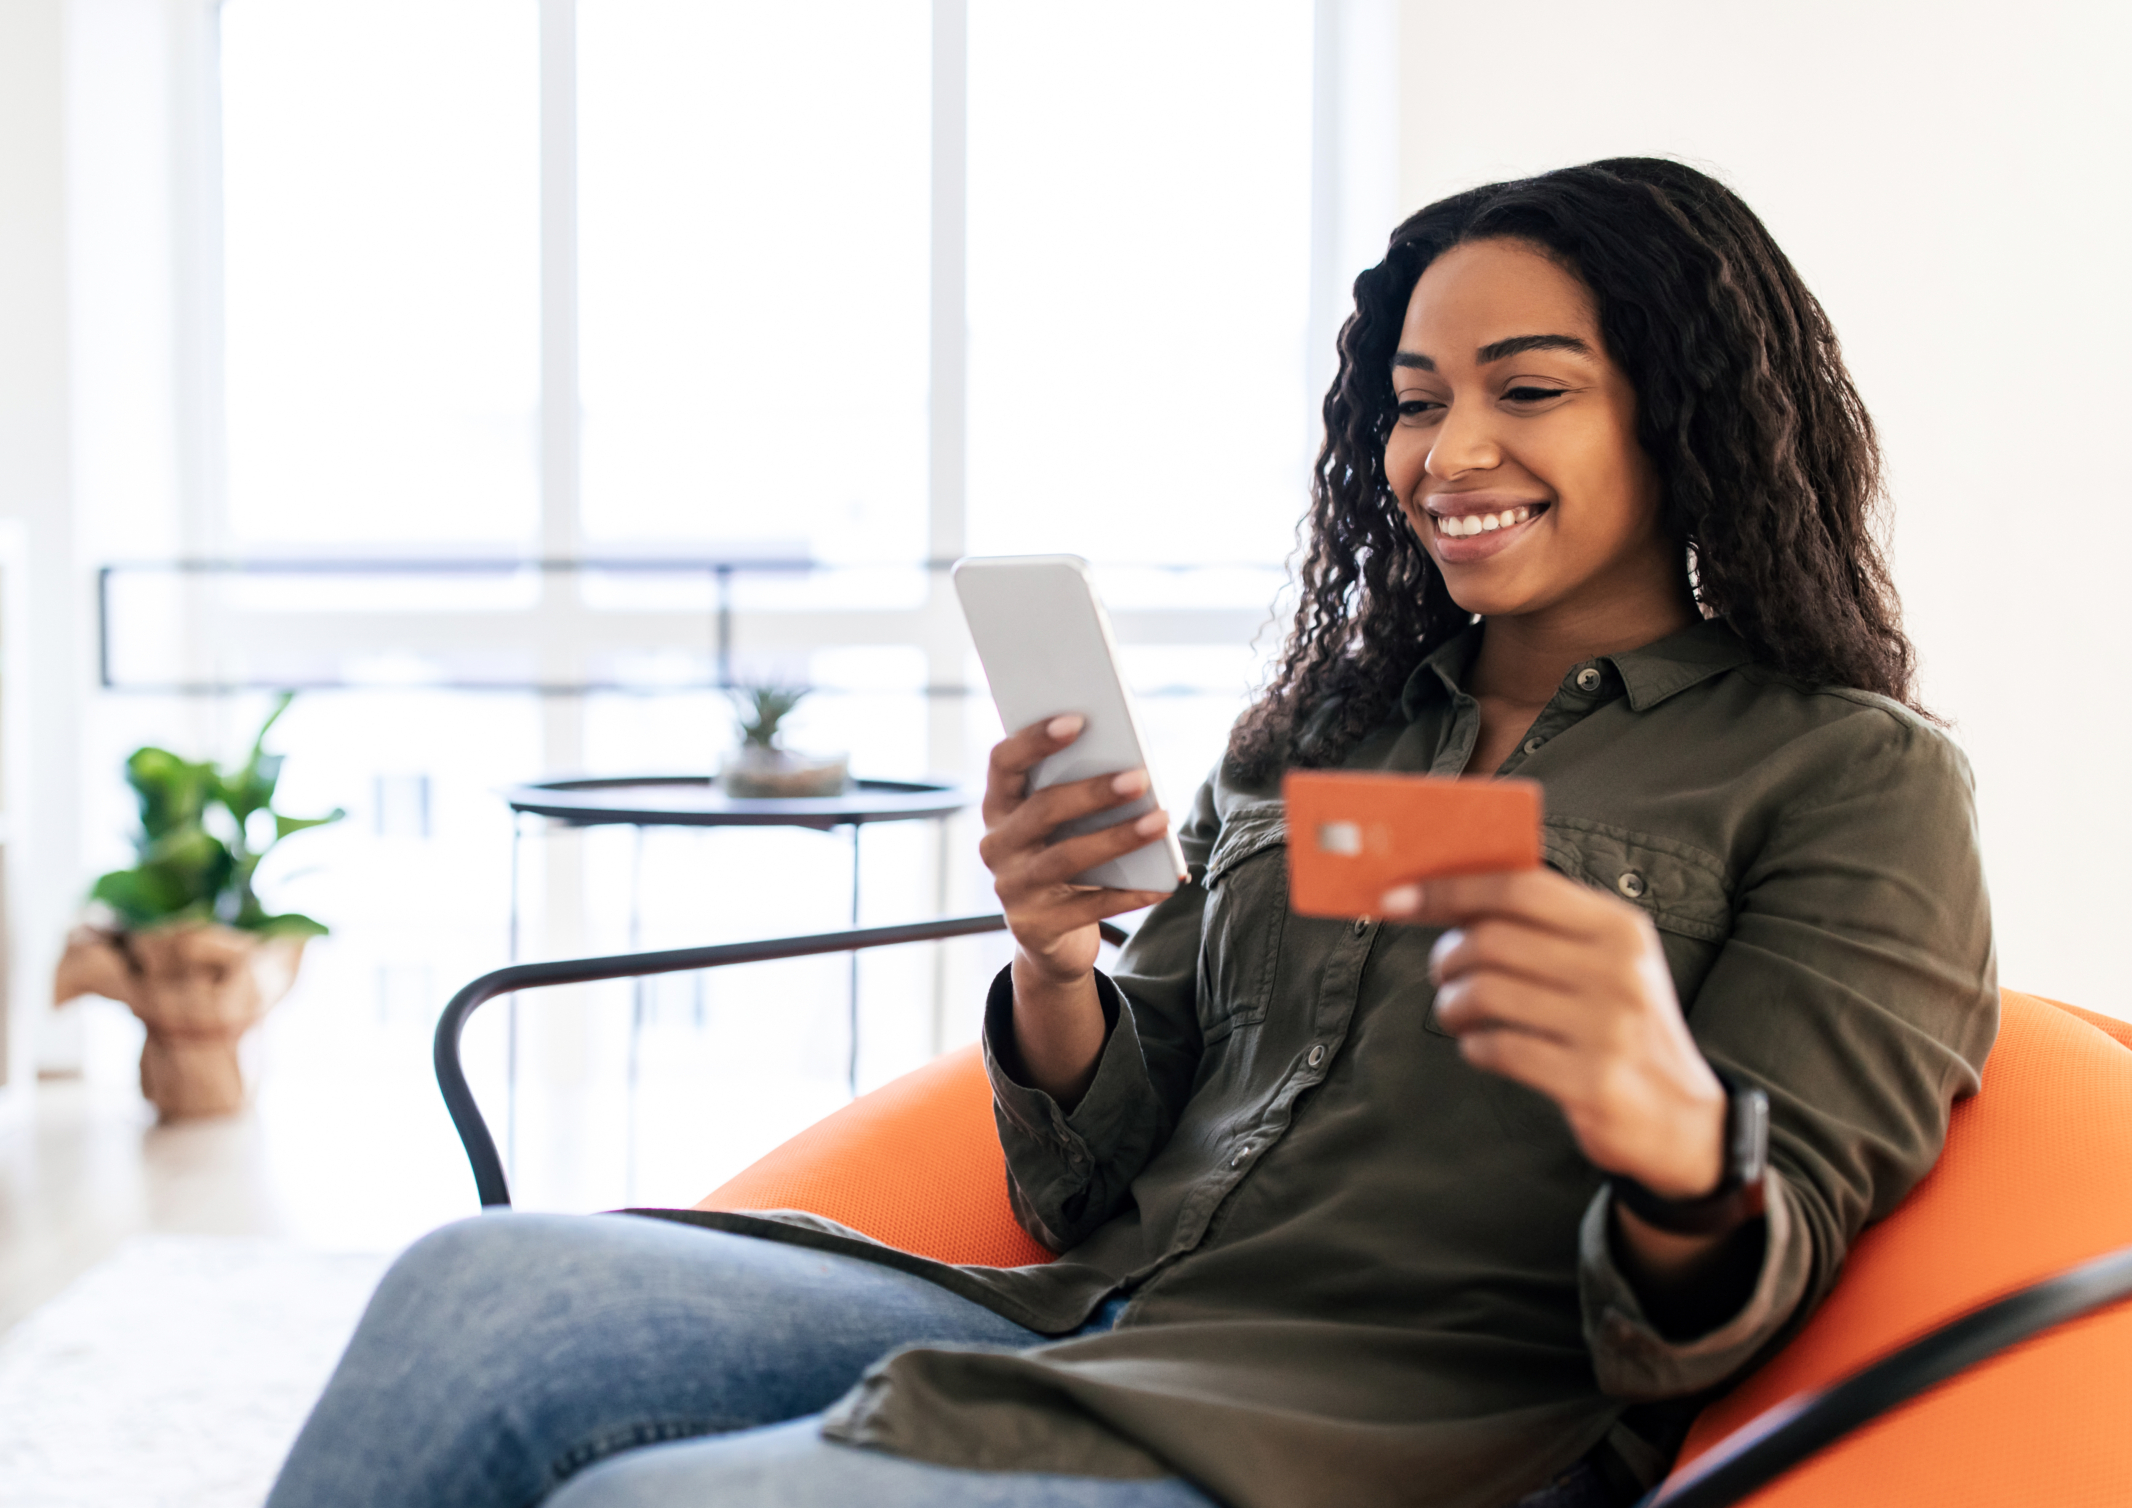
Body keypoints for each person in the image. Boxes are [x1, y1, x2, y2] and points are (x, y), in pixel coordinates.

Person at [264, 158, 1997, 1508]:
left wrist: (1677, 1138)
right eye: (1411, 397)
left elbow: (1753, 1298)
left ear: (1680, 414)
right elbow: (1094, 1165)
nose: (1447, 446)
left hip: (1387, 1427)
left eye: (1527, 389)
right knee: (481, 1281)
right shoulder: (1325, 737)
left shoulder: (1847, 776)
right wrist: (1054, 960)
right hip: (1090, 1314)